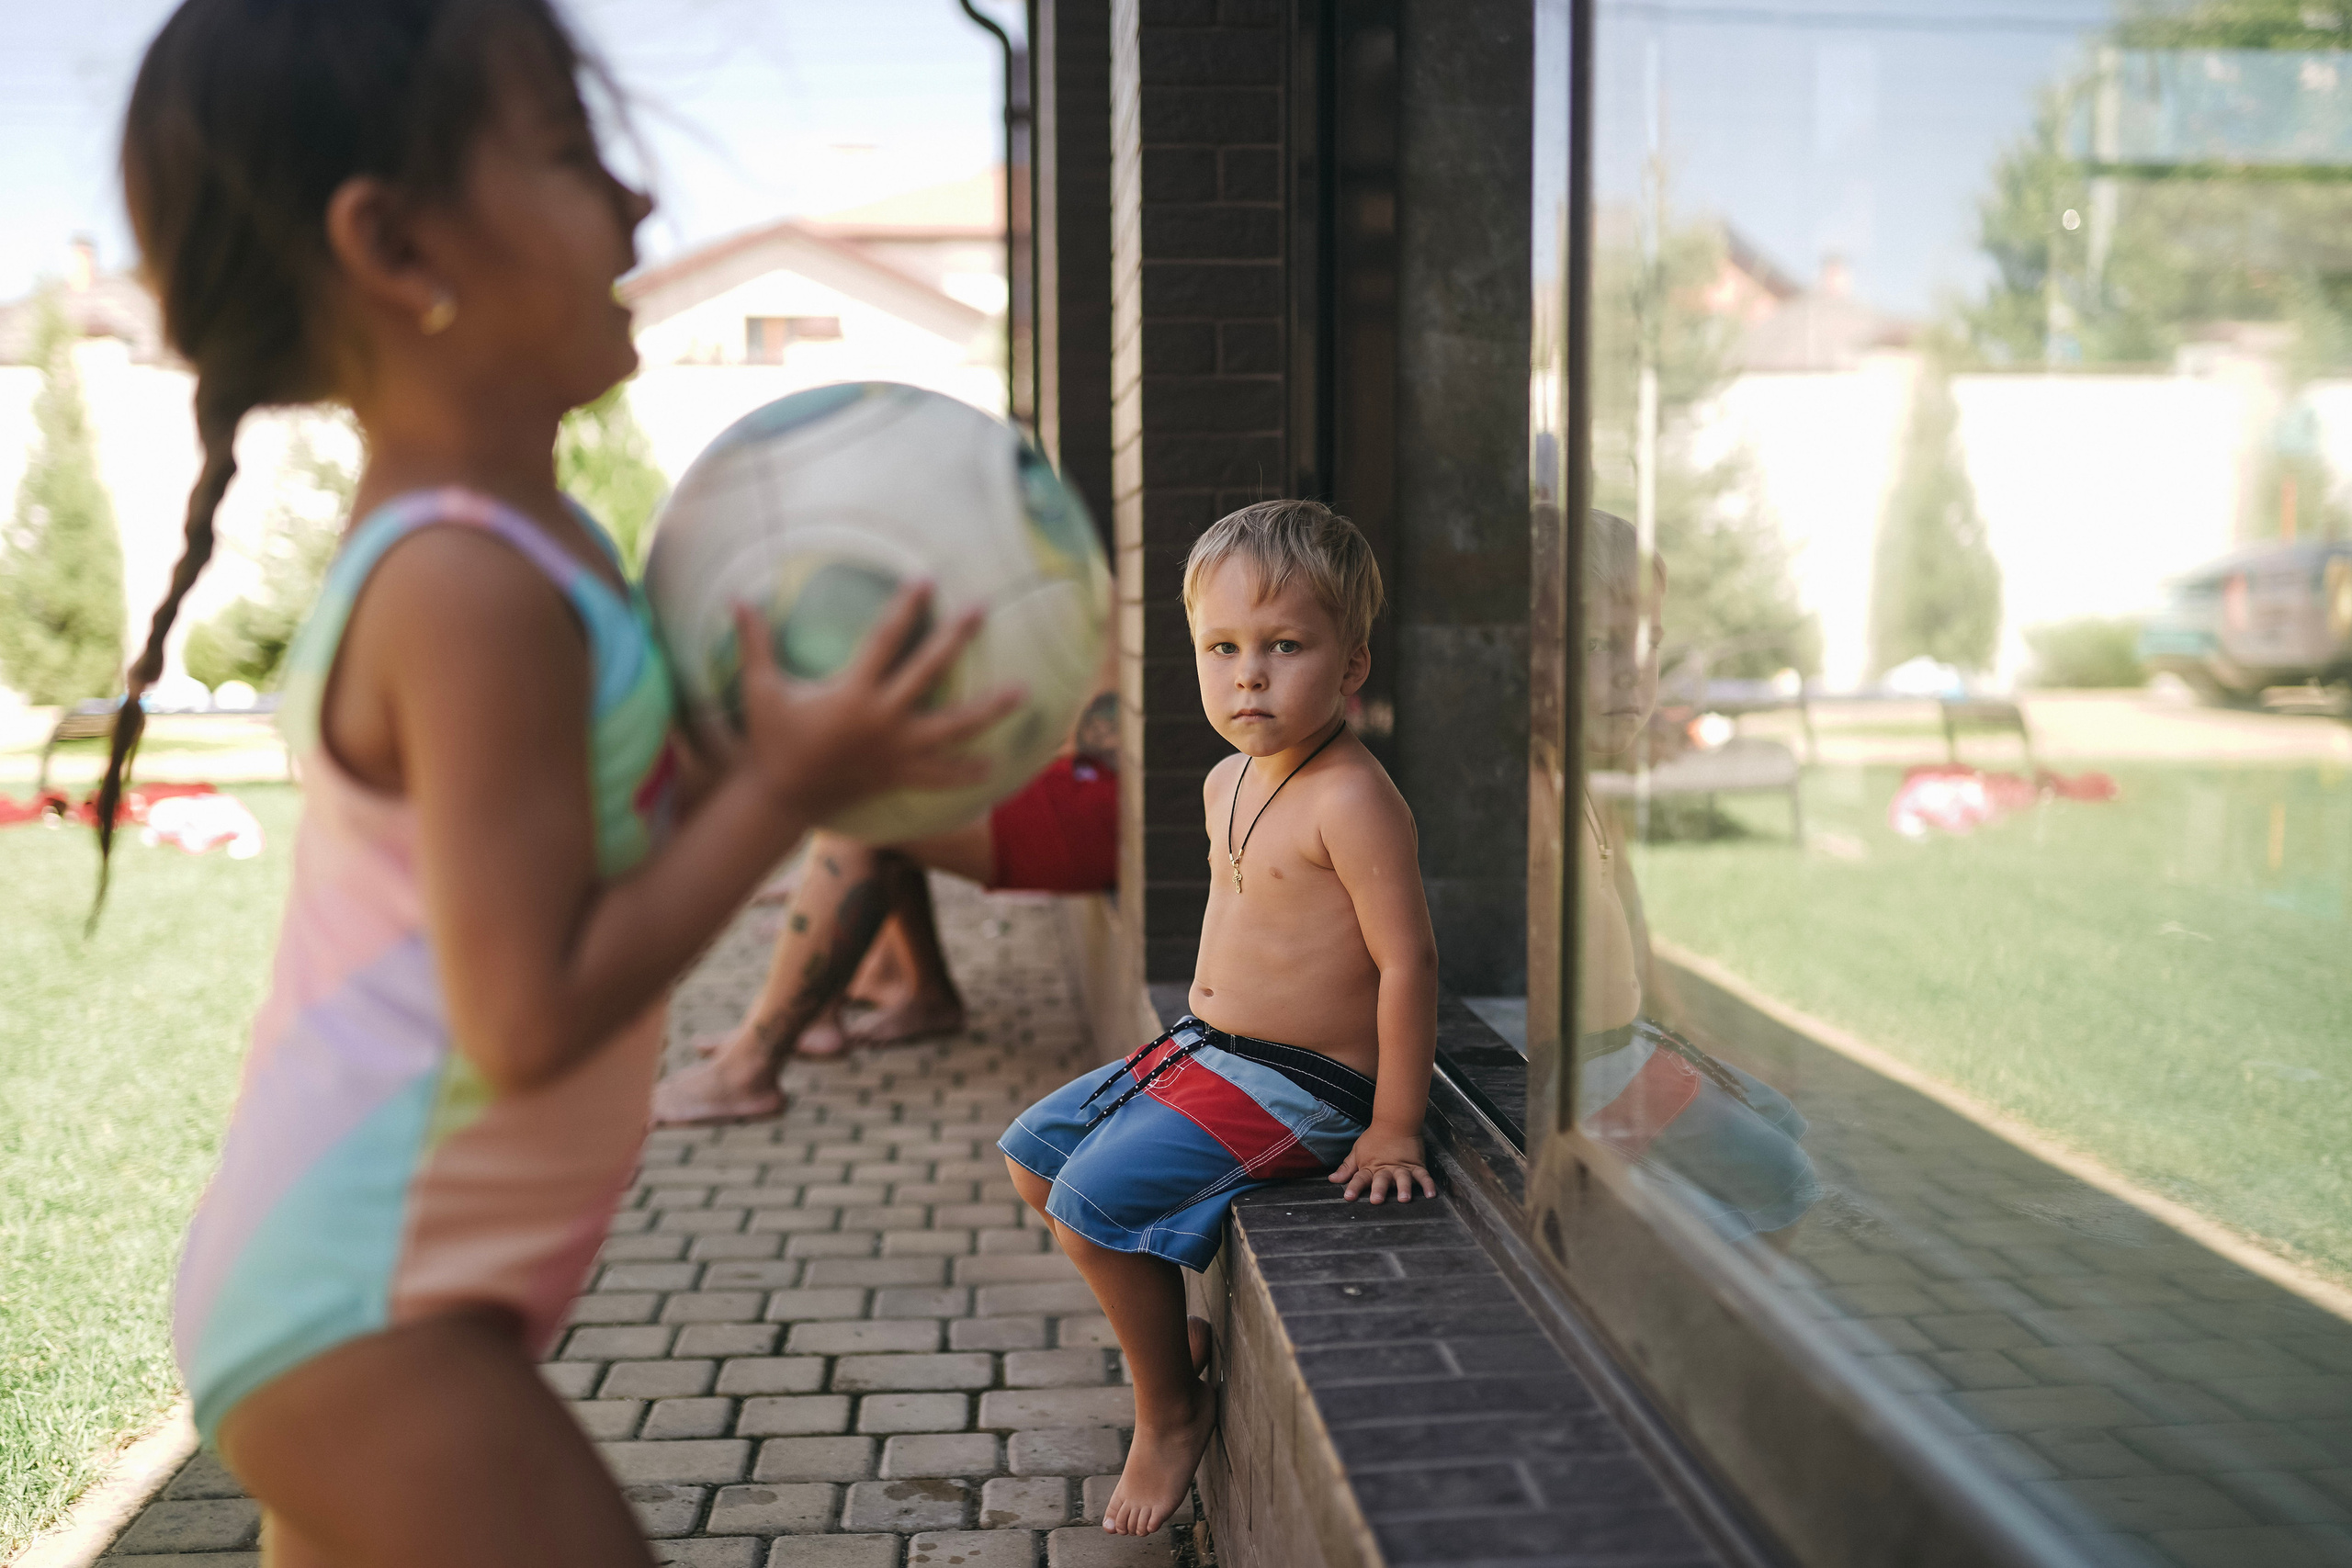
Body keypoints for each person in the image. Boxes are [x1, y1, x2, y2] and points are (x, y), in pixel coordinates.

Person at [104, 5, 1016, 1564]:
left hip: (382, 1292)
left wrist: (800, 748)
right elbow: (525, 1010)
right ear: (398, 247)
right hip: (365, 1309)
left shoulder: (550, 552)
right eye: (572, 155)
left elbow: (625, 830)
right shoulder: (466, 587)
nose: (640, 204)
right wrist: (779, 783)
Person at [999, 499, 1440, 1538]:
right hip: (1207, 1051)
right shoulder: (1221, 780)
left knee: (1087, 1204)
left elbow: (1409, 962)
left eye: (1285, 647)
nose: (1249, 673)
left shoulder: (1352, 799)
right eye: (1223, 647)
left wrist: (1394, 1122)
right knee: (1032, 1158)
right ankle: (1173, 1340)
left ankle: (1170, 1411)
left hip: (1304, 1084)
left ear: (1351, 665)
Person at [650, 665, 1118, 1125]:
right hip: (1085, 783)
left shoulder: (1121, 594)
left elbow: (1102, 735)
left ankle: (747, 1069)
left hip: (1104, 805)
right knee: (863, 780)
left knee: (861, 818)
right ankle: (915, 991)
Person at [1576, 510, 1818, 1241]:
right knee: (1785, 1180)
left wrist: (1695, 1040)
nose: (1630, 670)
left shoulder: (1591, 788)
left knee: (1784, 1119)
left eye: (1645, 642)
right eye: (1594, 642)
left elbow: (1632, 939)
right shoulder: (1535, 795)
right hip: (1580, 1072)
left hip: (1625, 1043)